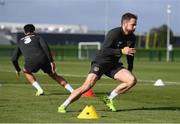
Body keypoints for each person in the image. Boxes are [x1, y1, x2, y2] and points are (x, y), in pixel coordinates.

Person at [58, 12, 137, 113]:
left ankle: (109, 98)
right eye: (133, 24)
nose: (135, 27)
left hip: (113, 65)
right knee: (86, 86)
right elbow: (104, 50)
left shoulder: (132, 37)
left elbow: (131, 53)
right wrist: (121, 51)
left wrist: (130, 68)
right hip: (101, 63)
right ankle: (63, 105)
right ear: (125, 23)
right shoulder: (114, 33)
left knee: (132, 80)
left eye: (135, 25)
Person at [11, 24, 74, 96]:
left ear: (24, 32)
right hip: (43, 59)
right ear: (34, 31)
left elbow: (13, 59)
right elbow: (46, 48)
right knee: (54, 75)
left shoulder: (20, 41)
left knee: (26, 71)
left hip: (31, 61)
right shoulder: (38, 37)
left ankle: (39, 89)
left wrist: (18, 69)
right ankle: (72, 91)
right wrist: (51, 61)